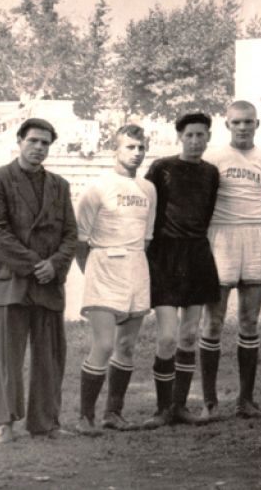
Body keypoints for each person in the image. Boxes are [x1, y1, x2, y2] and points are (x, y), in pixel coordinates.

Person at [0, 118, 77, 442]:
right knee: (8, 356)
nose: (39, 147)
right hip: (12, 280)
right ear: (19, 141)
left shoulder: (59, 185)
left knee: (50, 355)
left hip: (49, 282)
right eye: (33, 141)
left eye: (45, 143)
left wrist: (55, 265)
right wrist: (37, 265)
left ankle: (45, 422)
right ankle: (5, 422)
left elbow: (71, 234)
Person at [200, 101, 261, 419]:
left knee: (249, 321)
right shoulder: (213, 159)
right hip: (221, 237)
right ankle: (210, 402)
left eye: (248, 122)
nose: (243, 127)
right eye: (237, 122)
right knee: (213, 321)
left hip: (254, 239)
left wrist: (255, 231)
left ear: (257, 124)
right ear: (227, 125)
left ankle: (245, 400)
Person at [73, 125, 157, 434]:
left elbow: (146, 237)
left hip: (136, 266)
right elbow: (81, 241)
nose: (136, 153)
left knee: (126, 346)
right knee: (104, 344)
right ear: (115, 151)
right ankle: (85, 417)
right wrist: (94, 271)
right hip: (103, 266)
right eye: (130, 147)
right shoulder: (97, 187)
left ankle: (113, 413)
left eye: (141, 147)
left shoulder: (148, 189)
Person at [142, 113, 221, 428]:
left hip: (197, 255)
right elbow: (147, 209)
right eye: (189, 135)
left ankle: (180, 406)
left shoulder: (211, 172)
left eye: (201, 135)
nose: (195, 141)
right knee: (167, 337)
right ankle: (162, 409)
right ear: (179, 137)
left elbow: (207, 212)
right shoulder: (161, 168)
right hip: (165, 254)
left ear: (208, 137)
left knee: (189, 335)